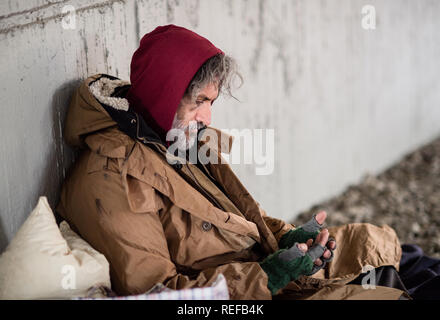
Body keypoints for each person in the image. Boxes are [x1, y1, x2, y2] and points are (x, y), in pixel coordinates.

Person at [56, 24, 407, 299]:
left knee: (383, 249)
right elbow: (157, 293)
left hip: (254, 276)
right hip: (241, 294)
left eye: (213, 102)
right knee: (385, 289)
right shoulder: (111, 177)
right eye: (199, 101)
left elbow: (238, 220)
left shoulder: (173, 139)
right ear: (164, 93)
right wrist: (267, 277)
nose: (207, 116)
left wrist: (287, 241)